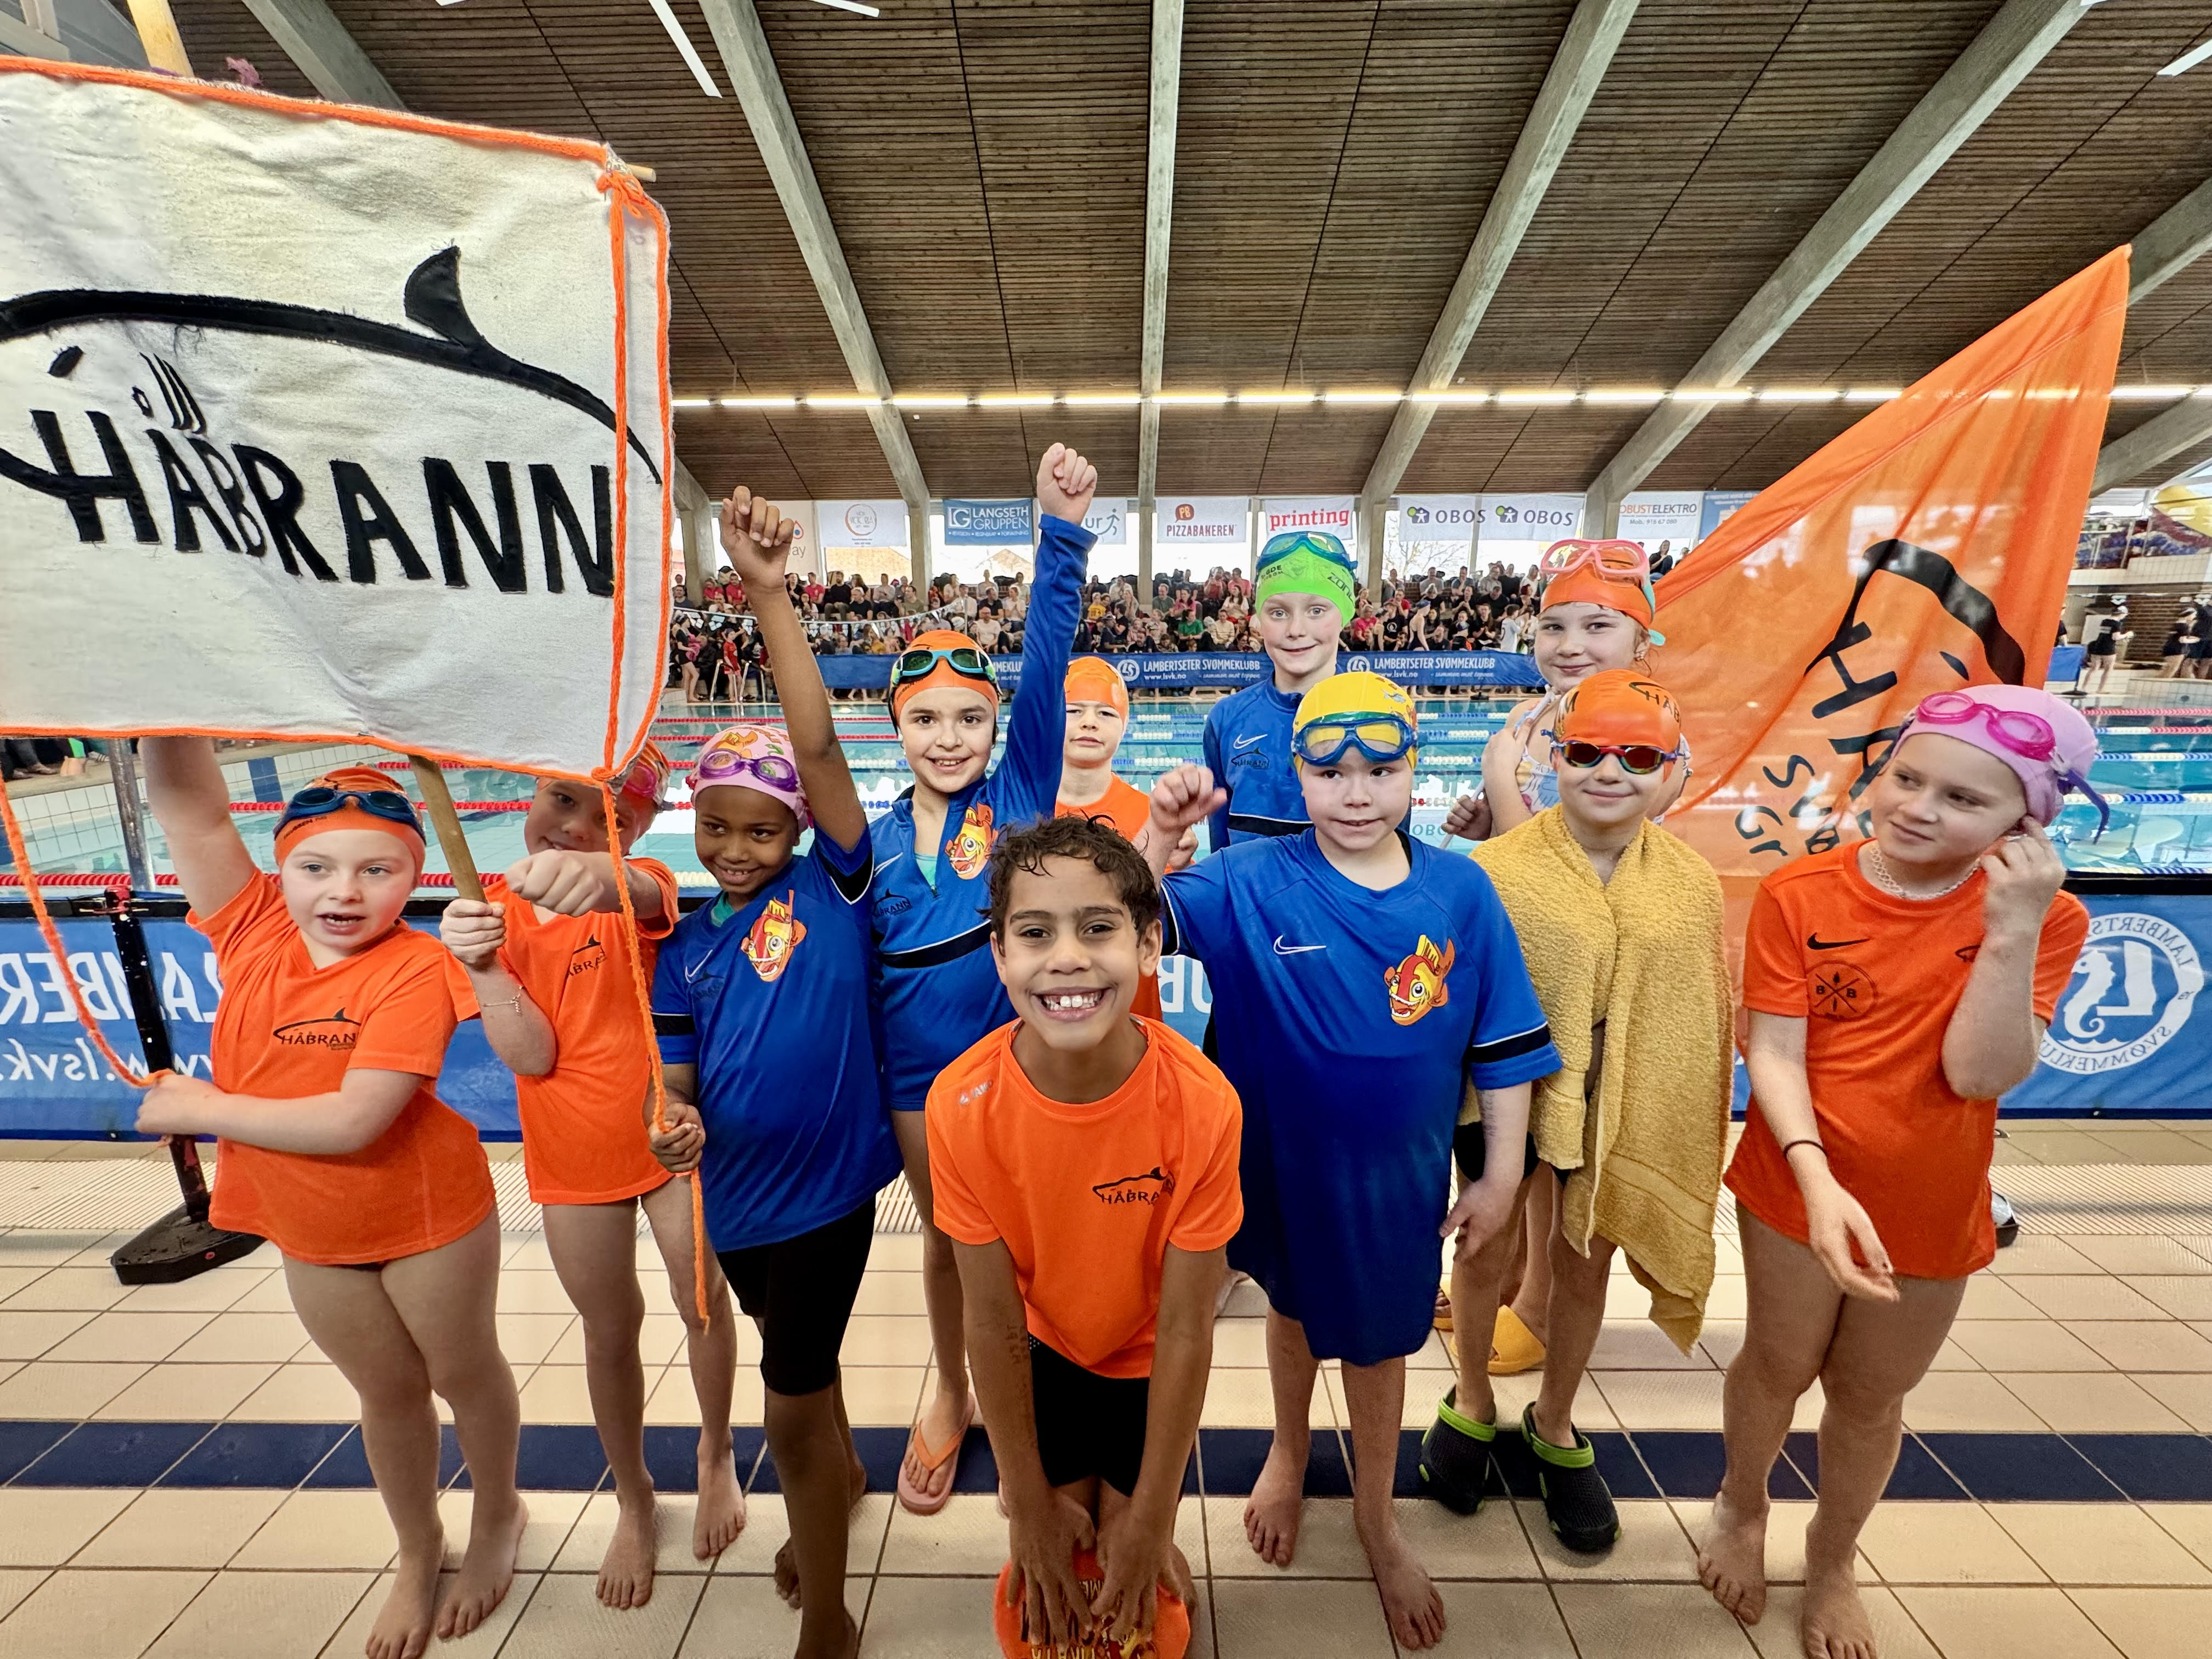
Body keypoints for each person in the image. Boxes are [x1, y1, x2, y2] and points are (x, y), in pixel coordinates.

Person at [1139, 672, 1562, 1652]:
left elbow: (1502, 1045)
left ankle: (1376, 1510)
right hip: (1276, 1166)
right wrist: (1162, 834)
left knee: (1378, 1349)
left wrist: (1499, 1174)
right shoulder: (1250, 876)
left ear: (1416, 771)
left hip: (1394, 1183)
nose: (1357, 790)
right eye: (1331, 770)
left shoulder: (1459, 889)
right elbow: (1122, 914)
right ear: (1298, 775)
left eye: (1381, 768)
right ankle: (1289, 1451)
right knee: (1288, 1313)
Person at [1695, 685, 2098, 1659]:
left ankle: (1833, 1559)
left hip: (1931, 1195)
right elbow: (1776, 1055)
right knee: (1778, 1362)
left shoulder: (2051, 917)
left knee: (1871, 1393)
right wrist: (1818, 1180)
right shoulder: (1803, 893)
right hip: (1797, 1179)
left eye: (1963, 799)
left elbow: (1978, 1072)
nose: (1917, 807)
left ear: (2025, 822)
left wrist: (2010, 925)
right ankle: (1740, 1506)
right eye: (1906, 776)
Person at [134, 749, 521, 1659]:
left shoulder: (418, 966)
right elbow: (192, 813)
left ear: (412, 875)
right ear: (283, 868)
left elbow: (357, 1117)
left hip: (426, 1212)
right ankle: (418, 1544)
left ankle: (499, 1512)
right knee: (384, 1392)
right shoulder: (253, 928)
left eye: (377, 868)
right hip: (306, 1221)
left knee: (462, 1372)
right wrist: (152, 681)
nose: (343, 891)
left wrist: (201, 1105)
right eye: (316, 866)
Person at [647, 488, 901, 1659]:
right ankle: (838, 1481)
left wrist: (763, 594)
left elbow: (813, 744)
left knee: (786, 1395)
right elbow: (678, 1083)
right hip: (737, 1202)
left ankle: (834, 1615)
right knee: (806, 1365)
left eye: (760, 830)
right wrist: (672, 1130)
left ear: (800, 831)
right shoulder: (687, 945)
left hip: (830, 1196)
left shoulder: (836, 887)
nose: (737, 849)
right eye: (717, 829)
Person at [1424, 672, 1731, 1557]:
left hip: (1621, 1099)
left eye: (1638, 756)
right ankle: (1474, 1396)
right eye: (1588, 750)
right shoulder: (1498, 872)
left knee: (1584, 1256)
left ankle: (1554, 1417)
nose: (1610, 771)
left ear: (1674, 773)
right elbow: (1464, 1002)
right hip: (1502, 1095)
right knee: (1482, 1245)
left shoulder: (1690, 884)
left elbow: (1695, 1020)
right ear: (1554, 759)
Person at [436, 751, 744, 1607]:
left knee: (703, 1301)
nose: (569, 825)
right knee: (611, 1330)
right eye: (559, 800)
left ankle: (715, 1453)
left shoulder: (639, 883)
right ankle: (635, 1497)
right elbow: (532, 1055)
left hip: (666, 1139)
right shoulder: (484, 922)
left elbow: (637, 893)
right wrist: (483, 963)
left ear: (636, 830)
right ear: (529, 799)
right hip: (572, 1157)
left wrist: (604, 871)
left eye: (600, 815)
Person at [928, 815, 1239, 1656]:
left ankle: (1136, 1523)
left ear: (1147, 947)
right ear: (1000, 956)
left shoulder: (1203, 1105)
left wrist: (1153, 1513)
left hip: (1148, 1360)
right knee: (1059, 1533)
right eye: (1035, 933)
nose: (1066, 957)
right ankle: (1077, 1509)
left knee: (1131, 1529)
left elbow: (1185, 1329)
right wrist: (1025, 1500)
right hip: (1046, 1353)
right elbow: (990, 1324)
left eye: (1096, 928)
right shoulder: (960, 1107)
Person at [871, 444, 1099, 1516]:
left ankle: (1036, 1402)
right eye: (927, 719)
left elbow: (1047, 660)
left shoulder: (1013, 797)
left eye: (970, 718)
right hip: (919, 1088)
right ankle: (954, 1396)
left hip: (1022, 1063)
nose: (949, 737)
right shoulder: (863, 845)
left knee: (1031, 1248)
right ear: (897, 726)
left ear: (996, 728)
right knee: (957, 1251)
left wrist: (1060, 538)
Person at [1435, 538, 1675, 1375]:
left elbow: (1623, 851)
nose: (1571, 644)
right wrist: (1483, 825)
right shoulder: (1521, 724)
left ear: (1641, 644)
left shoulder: (1654, 734)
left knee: (1569, 1151)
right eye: (1554, 626)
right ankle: (1505, 1282)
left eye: (1598, 627)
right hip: (1520, 961)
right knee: (1523, 1139)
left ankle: (1538, 1297)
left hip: (1597, 976)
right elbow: (1517, 847)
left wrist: (1507, 803)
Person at [1196, 531, 1356, 851]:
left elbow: (1394, 847)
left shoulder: (1379, 712)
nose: (1296, 630)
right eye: (1279, 612)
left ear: (1346, 615)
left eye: (1316, 611)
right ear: (1259, 621)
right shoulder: (1227, 718)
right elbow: (1221, 851)